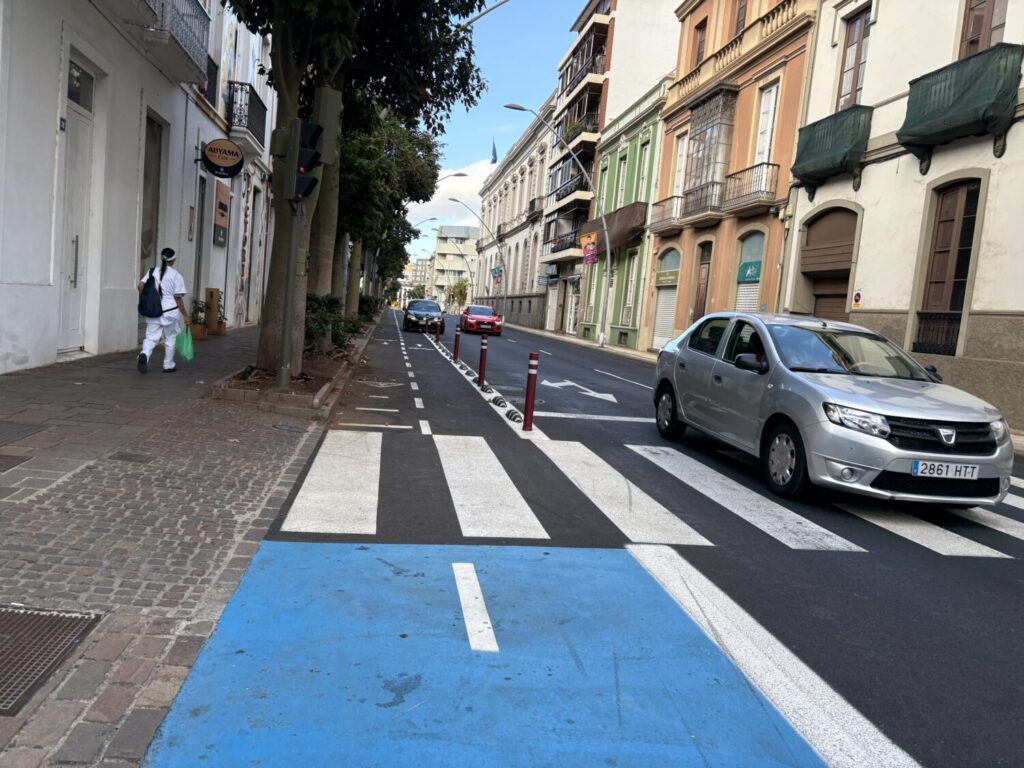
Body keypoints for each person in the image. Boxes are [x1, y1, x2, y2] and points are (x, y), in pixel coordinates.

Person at [137, 248, 190, 374]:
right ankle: (168, 365)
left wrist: (147, 298)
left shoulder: (152, 271)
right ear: (173, 260)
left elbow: (140, 286)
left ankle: (144, 354)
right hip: (170, 311)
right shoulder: (176, 275)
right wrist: (185, 315)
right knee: (170, 338)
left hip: (153, 310)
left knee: (151, 337)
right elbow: (178, 298)